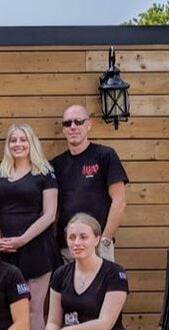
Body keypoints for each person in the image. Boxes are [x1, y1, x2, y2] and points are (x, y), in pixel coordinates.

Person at [0, 124, 58, 330]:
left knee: (34, 311)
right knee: (15, 312)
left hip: (36, 249)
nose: (18, 144)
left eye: (23, 140)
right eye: (13, 140)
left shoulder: (45, 174)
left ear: (32, 143)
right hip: (6, 250)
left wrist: (22, 240)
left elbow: (49, 214)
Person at [51, 105, 128, 262]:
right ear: (64, 129)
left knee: (103, 287)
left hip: (98, 244)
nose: (73, 127)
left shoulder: (105, 155)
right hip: (67, 248)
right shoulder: (56, 164)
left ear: (89, 124)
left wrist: (106, 238)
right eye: (67, 123)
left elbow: (119, 201)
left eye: (78, 122)